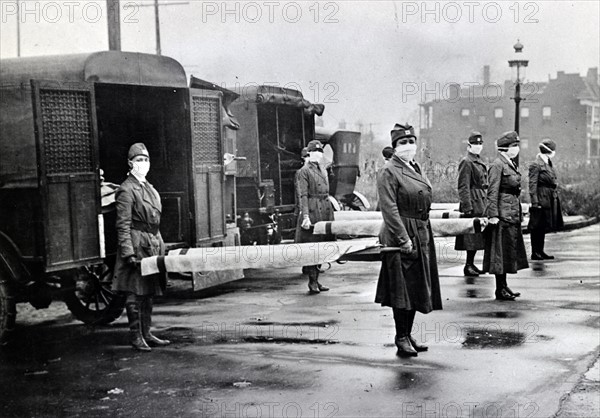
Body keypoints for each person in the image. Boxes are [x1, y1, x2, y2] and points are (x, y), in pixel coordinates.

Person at [376, 123, 442, 357]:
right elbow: (389, 208)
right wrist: (403, 239)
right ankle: (400, 336)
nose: (409, 146)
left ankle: (408, 333)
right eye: (403, 142)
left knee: (415, 287)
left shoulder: (414, 167)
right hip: (401, 232)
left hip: (420, 230)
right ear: (394, 146)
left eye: (411, 141)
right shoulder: (389, 171)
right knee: (401, 290)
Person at [112, 143, 170, 351]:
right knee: (135, 292)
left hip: (152, 242)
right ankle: (136, 336)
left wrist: (160, 245)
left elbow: (155, 220)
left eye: (145, 160)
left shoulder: (150, 188)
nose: (143, 164)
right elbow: (123, 225)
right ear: (130, 163)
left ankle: (146, 332)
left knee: (149, 290)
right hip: (137, 244)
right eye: (139, 160)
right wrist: (128, 252)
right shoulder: (126, 190)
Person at [482, 131, 529, 301]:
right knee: (499, 253)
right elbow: (492, 191)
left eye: (517, 145)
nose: (516, 149)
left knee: (507, 251)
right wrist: (493, 214)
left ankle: (504, 286)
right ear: (505, 148)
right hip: (502, 214)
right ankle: (499, 289)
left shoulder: (508, 163)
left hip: (511, 213)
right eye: (513, 146)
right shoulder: (497, 165)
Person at [295, 140, 334, 294]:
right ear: (309, 153)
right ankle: (312, 282)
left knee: (322, 246)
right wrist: (305, 216)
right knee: (313, 247)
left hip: (324, 208)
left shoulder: (322, 169)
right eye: (315, 151)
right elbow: (303, 195)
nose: (318, 154)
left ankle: (317, 280)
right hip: (312, 210)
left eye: (320, 151)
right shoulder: (304, 171)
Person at [455, 132, 488, 276]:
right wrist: (467, 206)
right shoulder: (467, 162)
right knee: (471, 237)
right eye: (475, 144)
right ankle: (468, 265)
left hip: (481, 200)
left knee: (476, 236)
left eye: (480, 144)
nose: (478, 147)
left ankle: (471, 264)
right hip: (473, 201)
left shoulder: (477, 161)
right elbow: (463, 186)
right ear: (469, 146)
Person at [528, 140, 564, 260]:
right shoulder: (536, 164)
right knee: (537, 225)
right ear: (549, 151)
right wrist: (535, 202)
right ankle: (535, 252)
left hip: (549, 197)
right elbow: (532, 185)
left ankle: (540, 250)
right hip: (541, 196)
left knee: (543, 225)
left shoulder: (548, 162)